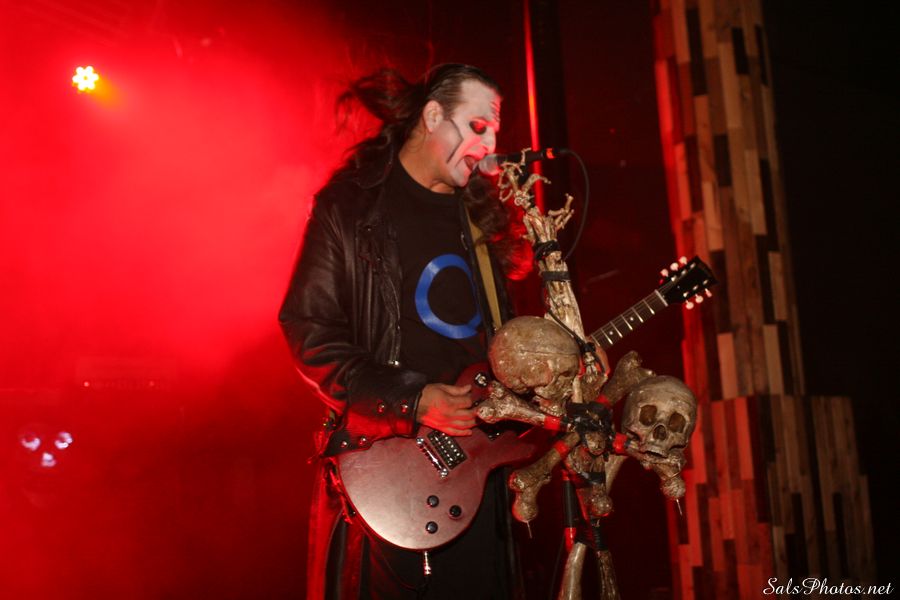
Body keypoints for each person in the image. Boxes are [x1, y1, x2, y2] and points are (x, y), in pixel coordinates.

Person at [279, 64, 531, 599]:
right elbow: (308, 329)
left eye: (494, 132)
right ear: (433, 115)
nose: (488, 146)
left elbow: (506, 349)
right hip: (388, 468)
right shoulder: (351, 208)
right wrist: (410, 400)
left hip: (476, 472)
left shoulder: (481, 222)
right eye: (478, 126)